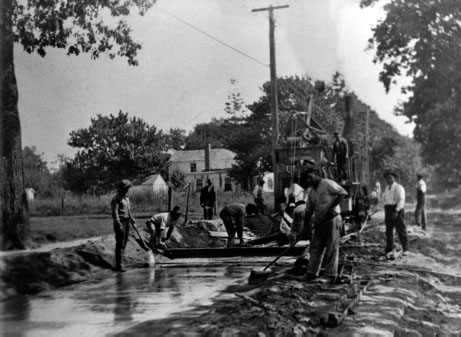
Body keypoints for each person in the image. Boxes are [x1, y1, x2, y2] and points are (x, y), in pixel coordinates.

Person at [293, 169, 347, 284]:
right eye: (307, 179)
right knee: (315, 247)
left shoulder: (327, 183)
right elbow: (308, 211)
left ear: (316, 175)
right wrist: (305, 227)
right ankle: (311, 273)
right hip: (319, 222)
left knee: (331, 248)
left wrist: (332, 208)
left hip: (332, 219)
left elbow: (343, 193)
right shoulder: (312, 192)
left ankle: (330, 275)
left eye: (310, 177)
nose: (310, 180)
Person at [111, 179, 136, 272]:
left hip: (127, 221)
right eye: (126, 188)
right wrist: (118, 223)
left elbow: (128, 210)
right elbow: (115, 212)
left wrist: (131, 217)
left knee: (124, 242)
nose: (127, 189)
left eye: (128, 188)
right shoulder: (116, 199)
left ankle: (120, 262)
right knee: (120, 243)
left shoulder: (127, 198)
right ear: (121, 188)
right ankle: (119, 265)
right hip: (120, 222)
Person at [382, 170, 408, 256]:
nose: (388, 179)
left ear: (394, 178)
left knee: (400, 229)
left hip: (397, 209)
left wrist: (396, 211)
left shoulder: (399, 187)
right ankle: (389, 248)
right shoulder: (386, 188)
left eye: (390, 178)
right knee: (388, 230)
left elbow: (401, 200)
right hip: (388, 210)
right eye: (387, 178)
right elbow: (385, 200)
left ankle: (406, 249)